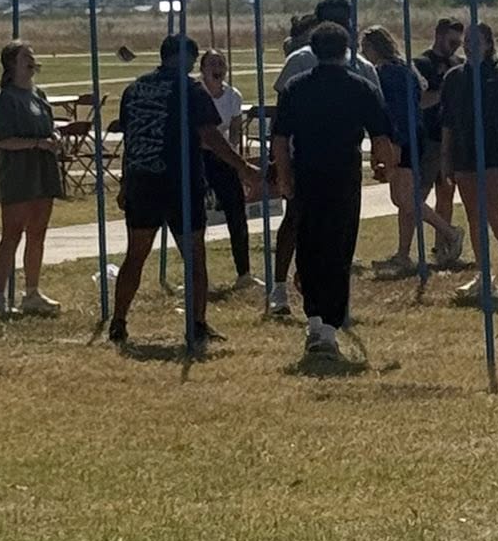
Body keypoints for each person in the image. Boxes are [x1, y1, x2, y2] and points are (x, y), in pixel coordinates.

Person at [110, 35, 259, 350]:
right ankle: (197, 324)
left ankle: (118, 321)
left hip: (142, 179)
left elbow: (132, 140)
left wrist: (125, 182)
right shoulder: (191, 90)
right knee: (194, 257)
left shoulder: (134, 89)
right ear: (189, 59)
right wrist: (243, 167)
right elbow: (210, 137)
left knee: (135, 255)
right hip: (180, 182)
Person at [271, 23, 397, 356]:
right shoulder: (360, 87)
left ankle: (314, 323)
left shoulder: (296, 88)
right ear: (346, 51)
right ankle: (328, 327)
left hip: (306, 177)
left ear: (313, 50)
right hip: (343, 178)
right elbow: (382, 138)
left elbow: (280, 139)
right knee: (339, 250)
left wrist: (284, 177)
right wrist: (384, 166)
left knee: (309, 247)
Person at [361, 25, 463, 275]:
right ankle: (403, 253)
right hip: (413, 136)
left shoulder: (387, 73)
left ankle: (449, 232)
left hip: (402, 138)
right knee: (403, 198)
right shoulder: (406, 68)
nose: (364, 53)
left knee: (406, 198)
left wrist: (391, 142)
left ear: (374, 47)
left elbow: (393, 109)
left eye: (365, 48)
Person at [440, 22, 498, 303]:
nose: (469, 46)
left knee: (491, 210)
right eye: (467, 41)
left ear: (489, 45)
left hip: (494, 154)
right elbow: (447, 123)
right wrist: (446, 158)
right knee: (474, 215)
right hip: (464, 154)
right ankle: (483, 273)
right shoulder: (454, 78)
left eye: (476, 42)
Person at [0, 39, 64, 319]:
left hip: (43, 172)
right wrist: (36, 144)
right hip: (18, 174)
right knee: (12, 234)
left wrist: (54, 137)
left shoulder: (38, 94)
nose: (32, 61)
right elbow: (3, 140)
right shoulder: (5, 98)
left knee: (38, 233)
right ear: (12, 63)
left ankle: (32, 293)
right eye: (25, 57)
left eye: (32, 56)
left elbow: (49, 125)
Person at [198, 48, 254, 289]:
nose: (218, 68)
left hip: (224, 158)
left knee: (236, 212)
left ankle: (244, 273)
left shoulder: (233, 96)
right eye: (213, 64)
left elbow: (235, 130)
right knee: (197, 217)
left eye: (221, 64)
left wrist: (235, 156)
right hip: (198, 157)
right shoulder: (196, 94)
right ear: (202, 69)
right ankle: (199, 277)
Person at [413, 17, 468, 252]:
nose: (455, 46)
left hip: (452, 138)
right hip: (429, 137)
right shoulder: (422, 63)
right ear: (439, 35)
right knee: (417, 197)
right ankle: (405, 249)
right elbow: (422, 101)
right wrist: (446, 90)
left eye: (459, 41)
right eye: (452, 40)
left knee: (446, 195)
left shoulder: (459, 64)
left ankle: (443, 248)